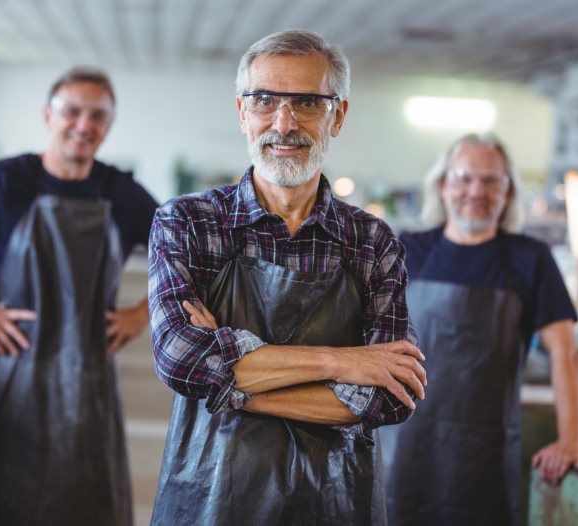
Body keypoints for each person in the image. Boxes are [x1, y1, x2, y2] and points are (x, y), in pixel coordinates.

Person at [147, 29, 427, 526]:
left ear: (337, 115)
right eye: (264, 100)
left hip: (335, 502)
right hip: (210, 498)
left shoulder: (373, 242)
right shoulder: (188, 222)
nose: (284, 123)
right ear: (241, 112)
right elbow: (181, 358)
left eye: (307, 103)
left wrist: (237, 386)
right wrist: (342, 363)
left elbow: (390, 394)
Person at [0, 67, 158, 526]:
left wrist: (139, 315)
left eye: (98, 116)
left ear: (108, 126)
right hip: (15, 372)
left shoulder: (122, 194)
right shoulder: (3, 182)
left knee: (89, 502)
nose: (84, 125)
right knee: (9, 501)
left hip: (89, 378)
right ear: (48, 115)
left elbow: (188, 265)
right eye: (72, 112)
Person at [381, 133, 578, 526]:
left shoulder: (531, 259)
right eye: (464, 178)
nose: (477, 191)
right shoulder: (408, 251)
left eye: (492, 181)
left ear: (507, 192)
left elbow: (565, 353)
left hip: (484, 454)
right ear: (443, 185)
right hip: (403, 448)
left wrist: (571, 438)